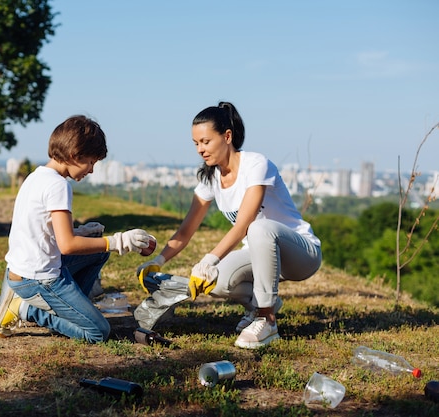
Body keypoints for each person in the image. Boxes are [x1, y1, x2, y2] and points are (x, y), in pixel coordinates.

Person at [136, 102, 322, 349]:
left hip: (300, 255)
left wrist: (209, 259)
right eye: (196, 143)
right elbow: (185, 230)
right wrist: (158, 261)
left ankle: (267, 320)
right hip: (261, 257)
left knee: (258, 228)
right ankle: (262, 303)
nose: (200, 149)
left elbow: (244, 224)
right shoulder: (211, 177)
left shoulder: (256, 164)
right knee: (217, 281)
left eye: (206, 141)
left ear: (227, 136)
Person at [0, 115, 153, 343]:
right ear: (74, 156)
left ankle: (70, 308)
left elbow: (41, 232)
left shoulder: (36, 177)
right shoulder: (59, 186)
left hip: (21, 272)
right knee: (98, 332)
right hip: (38, 279)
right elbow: (67, 245)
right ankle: (27, 310)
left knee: (98, 250)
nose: (91, 170)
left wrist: (82, 231)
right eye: (91, 162)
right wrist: (119, 241)